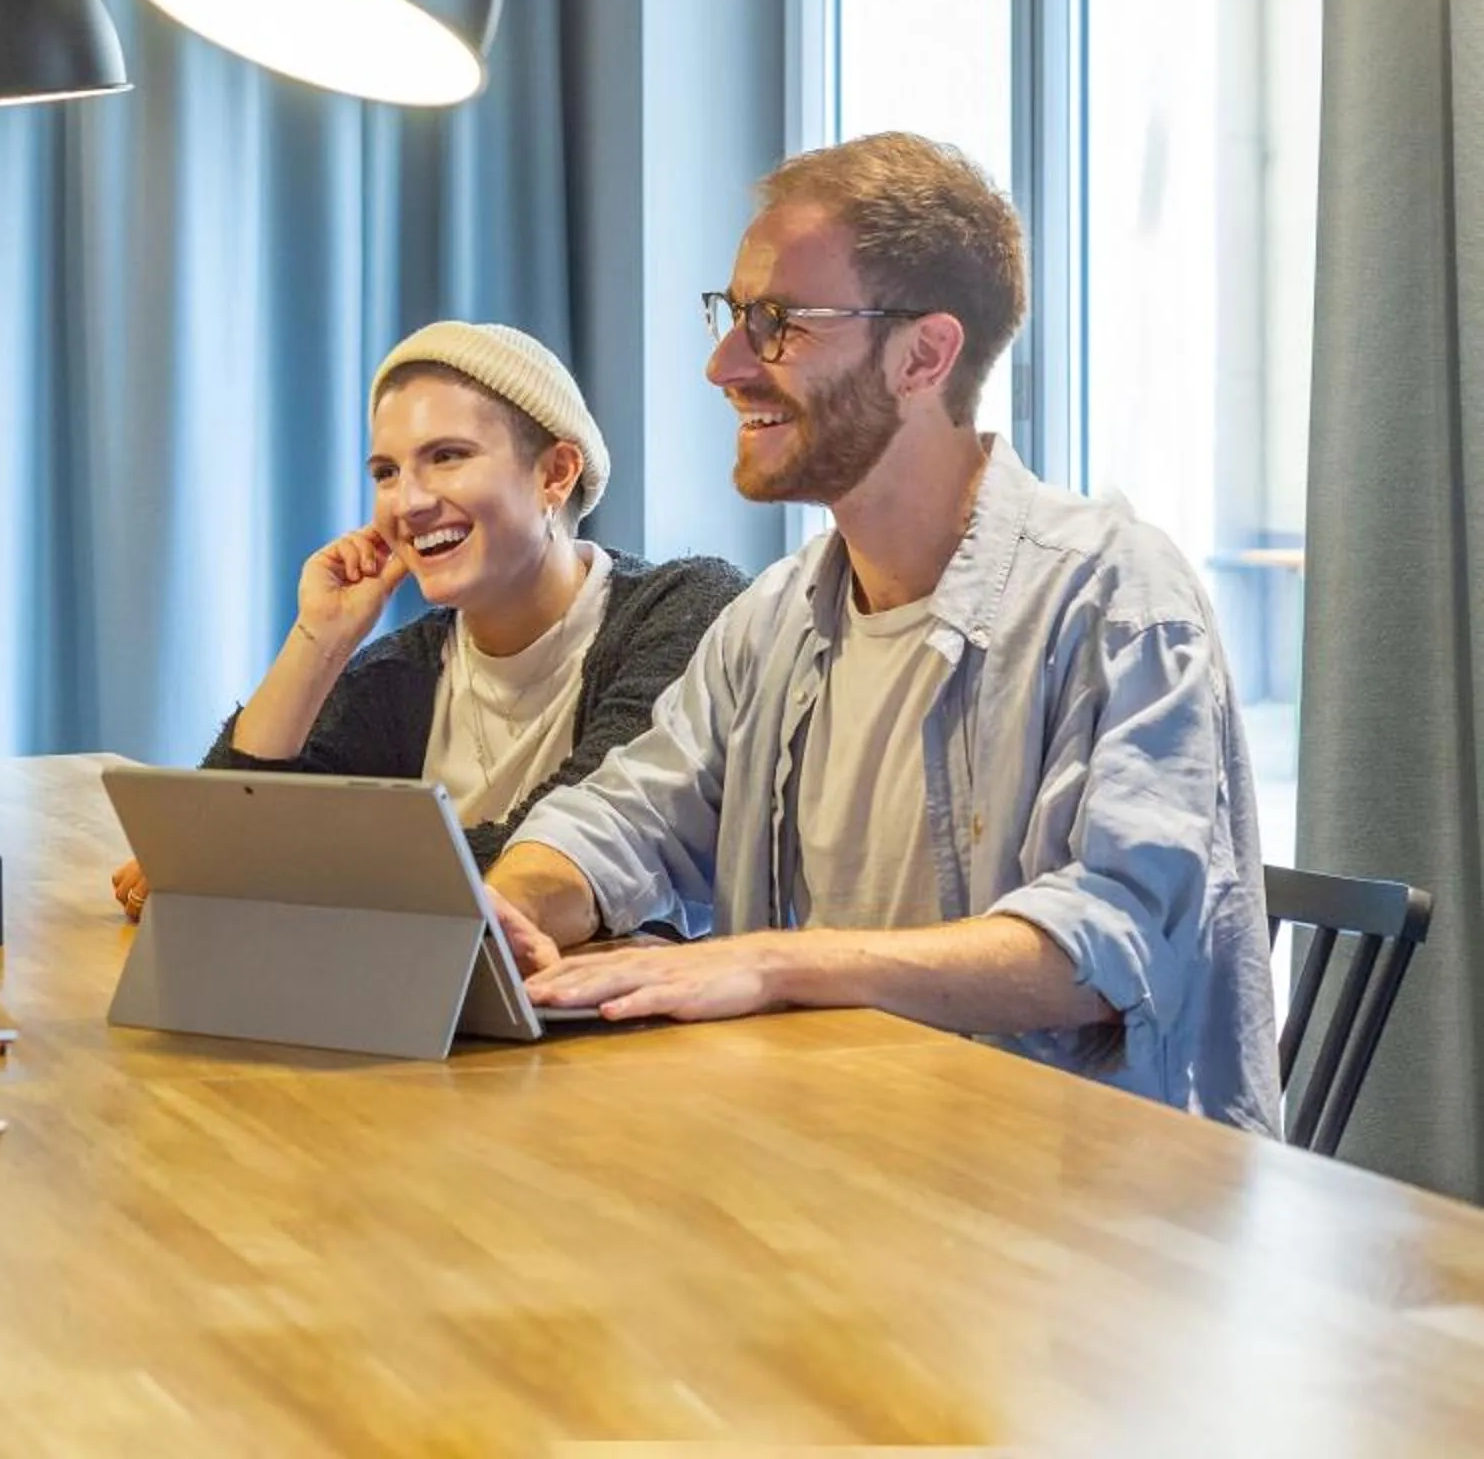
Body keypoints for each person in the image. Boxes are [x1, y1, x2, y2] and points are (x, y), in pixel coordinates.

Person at [484, 133, 1280, 1130]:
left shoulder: (1114, 595)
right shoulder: (773, 618)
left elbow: (1111, 940)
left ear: (924, 354)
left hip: (1086, 1190)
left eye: (777, 323)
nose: (724, 364)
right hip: (837, 1151)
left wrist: (774, 963)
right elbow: (625, 819)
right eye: (733, 315)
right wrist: (512, 908)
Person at [112, 322, 746, 918]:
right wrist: (318, 641)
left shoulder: (683, 611)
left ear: (555, 474)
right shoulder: (401, 672)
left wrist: (270, 861)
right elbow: (214, 847)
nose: (408, 503)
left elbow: (578, 845)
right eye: (387, 473)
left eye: (447, 456)